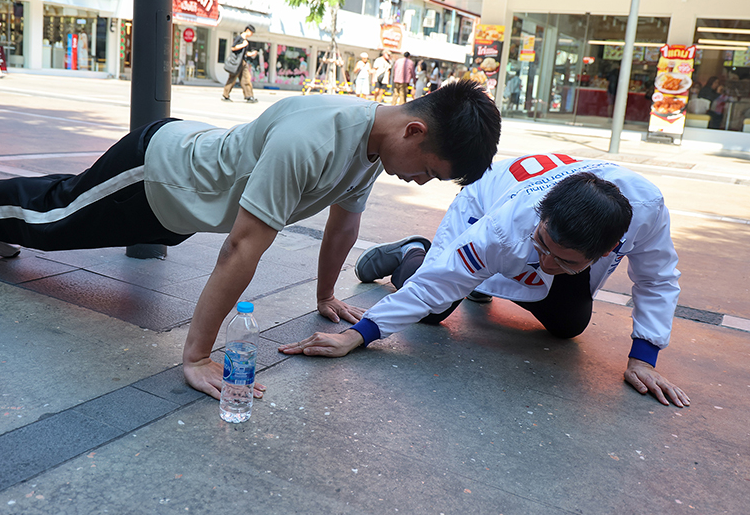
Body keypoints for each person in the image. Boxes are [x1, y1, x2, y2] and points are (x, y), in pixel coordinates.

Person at [0, 80, 501, 400]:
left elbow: (344, 222)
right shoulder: (314, 137)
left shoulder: (376, 148)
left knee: (63, 204)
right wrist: (197, 355)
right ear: (415, 130)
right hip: (158, 174)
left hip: (179, 207)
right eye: (430, 169)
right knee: (57, 220)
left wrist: (325, 295)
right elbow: (241, 246)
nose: (422, 180)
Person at [280, 154, 690, 409]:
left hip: (564, 231)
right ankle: (412, 252)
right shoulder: (505, 225)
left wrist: (644, 356)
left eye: (563, 261)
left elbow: (657, 280)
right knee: (434, 310)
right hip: (488, 200)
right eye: (542, 245)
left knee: (569, 326)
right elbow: (434, 286)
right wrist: (358, 336)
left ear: (607, 252)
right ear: (542, 216)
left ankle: (490, 277)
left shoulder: (647, 210)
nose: (545, 262)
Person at [221, 24, 258, 103]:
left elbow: (244, 53)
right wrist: (242, 45)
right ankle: (225, 95)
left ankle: (249, 96)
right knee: (232, 78)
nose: (251, 34)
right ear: (247, 30)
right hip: (237, 62)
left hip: (243, 62)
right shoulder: (239, 38)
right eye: (251, 32)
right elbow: (233, 47)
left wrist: (251, 54)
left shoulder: (246, 40)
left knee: (246, 78)